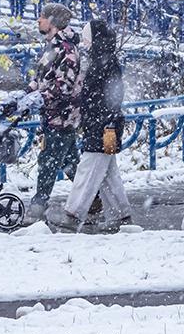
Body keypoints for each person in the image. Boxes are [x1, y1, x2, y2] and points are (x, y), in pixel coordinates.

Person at [53, 18, 131, 232]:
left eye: (87, 37)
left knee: (87, 170)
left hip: (102, 126)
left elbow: (109, 96)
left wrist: (104, 121)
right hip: (103, 124)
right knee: (107, 174)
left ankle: (73, 214)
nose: (85, 41)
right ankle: (121, 216)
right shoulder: (104, 61)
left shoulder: (103, 63)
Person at [26, 2, 82, 222]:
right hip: (52, 115)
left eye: (42, 16)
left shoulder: (66, 50)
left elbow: (64, 87)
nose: (38, 20)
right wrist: (24, 95)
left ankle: (38, 206)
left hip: (61, 116)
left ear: (53, 21)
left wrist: (39, 98)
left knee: (48, 160)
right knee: (70, 162)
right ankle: (93, 198)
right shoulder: (52, 47)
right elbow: (41, 78)